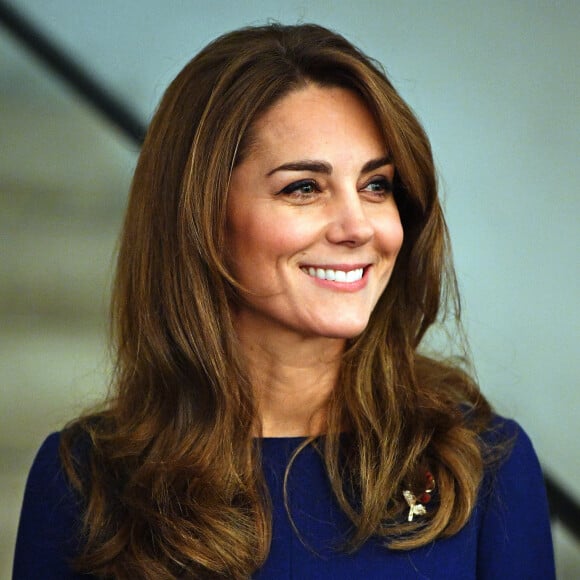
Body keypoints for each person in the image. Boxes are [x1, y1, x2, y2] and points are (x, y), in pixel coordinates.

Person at [13, 23, 555, 579]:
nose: (357, 227)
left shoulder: (484, 466)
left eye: (377, 186)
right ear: (202, 218)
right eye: (303, 188)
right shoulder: (86, 480)